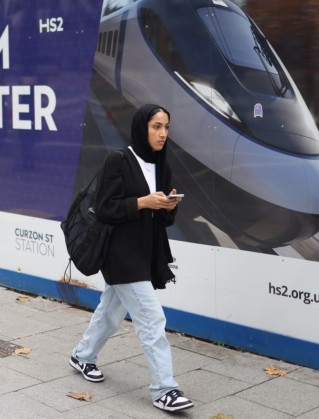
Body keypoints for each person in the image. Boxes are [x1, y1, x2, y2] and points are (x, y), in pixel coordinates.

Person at [69, 105, 193, 413]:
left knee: (111, 311)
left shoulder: (161, 166)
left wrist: (168, 207)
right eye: (156, 126)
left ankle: (82, 356)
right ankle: (165, 389)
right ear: (142, 128)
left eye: (166, 127)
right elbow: (105, 207)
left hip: (145, 252)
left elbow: (162, 221)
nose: (163, 133)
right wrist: (143, 202)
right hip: (120, 254)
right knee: (152, 319)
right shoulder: (119, 161)